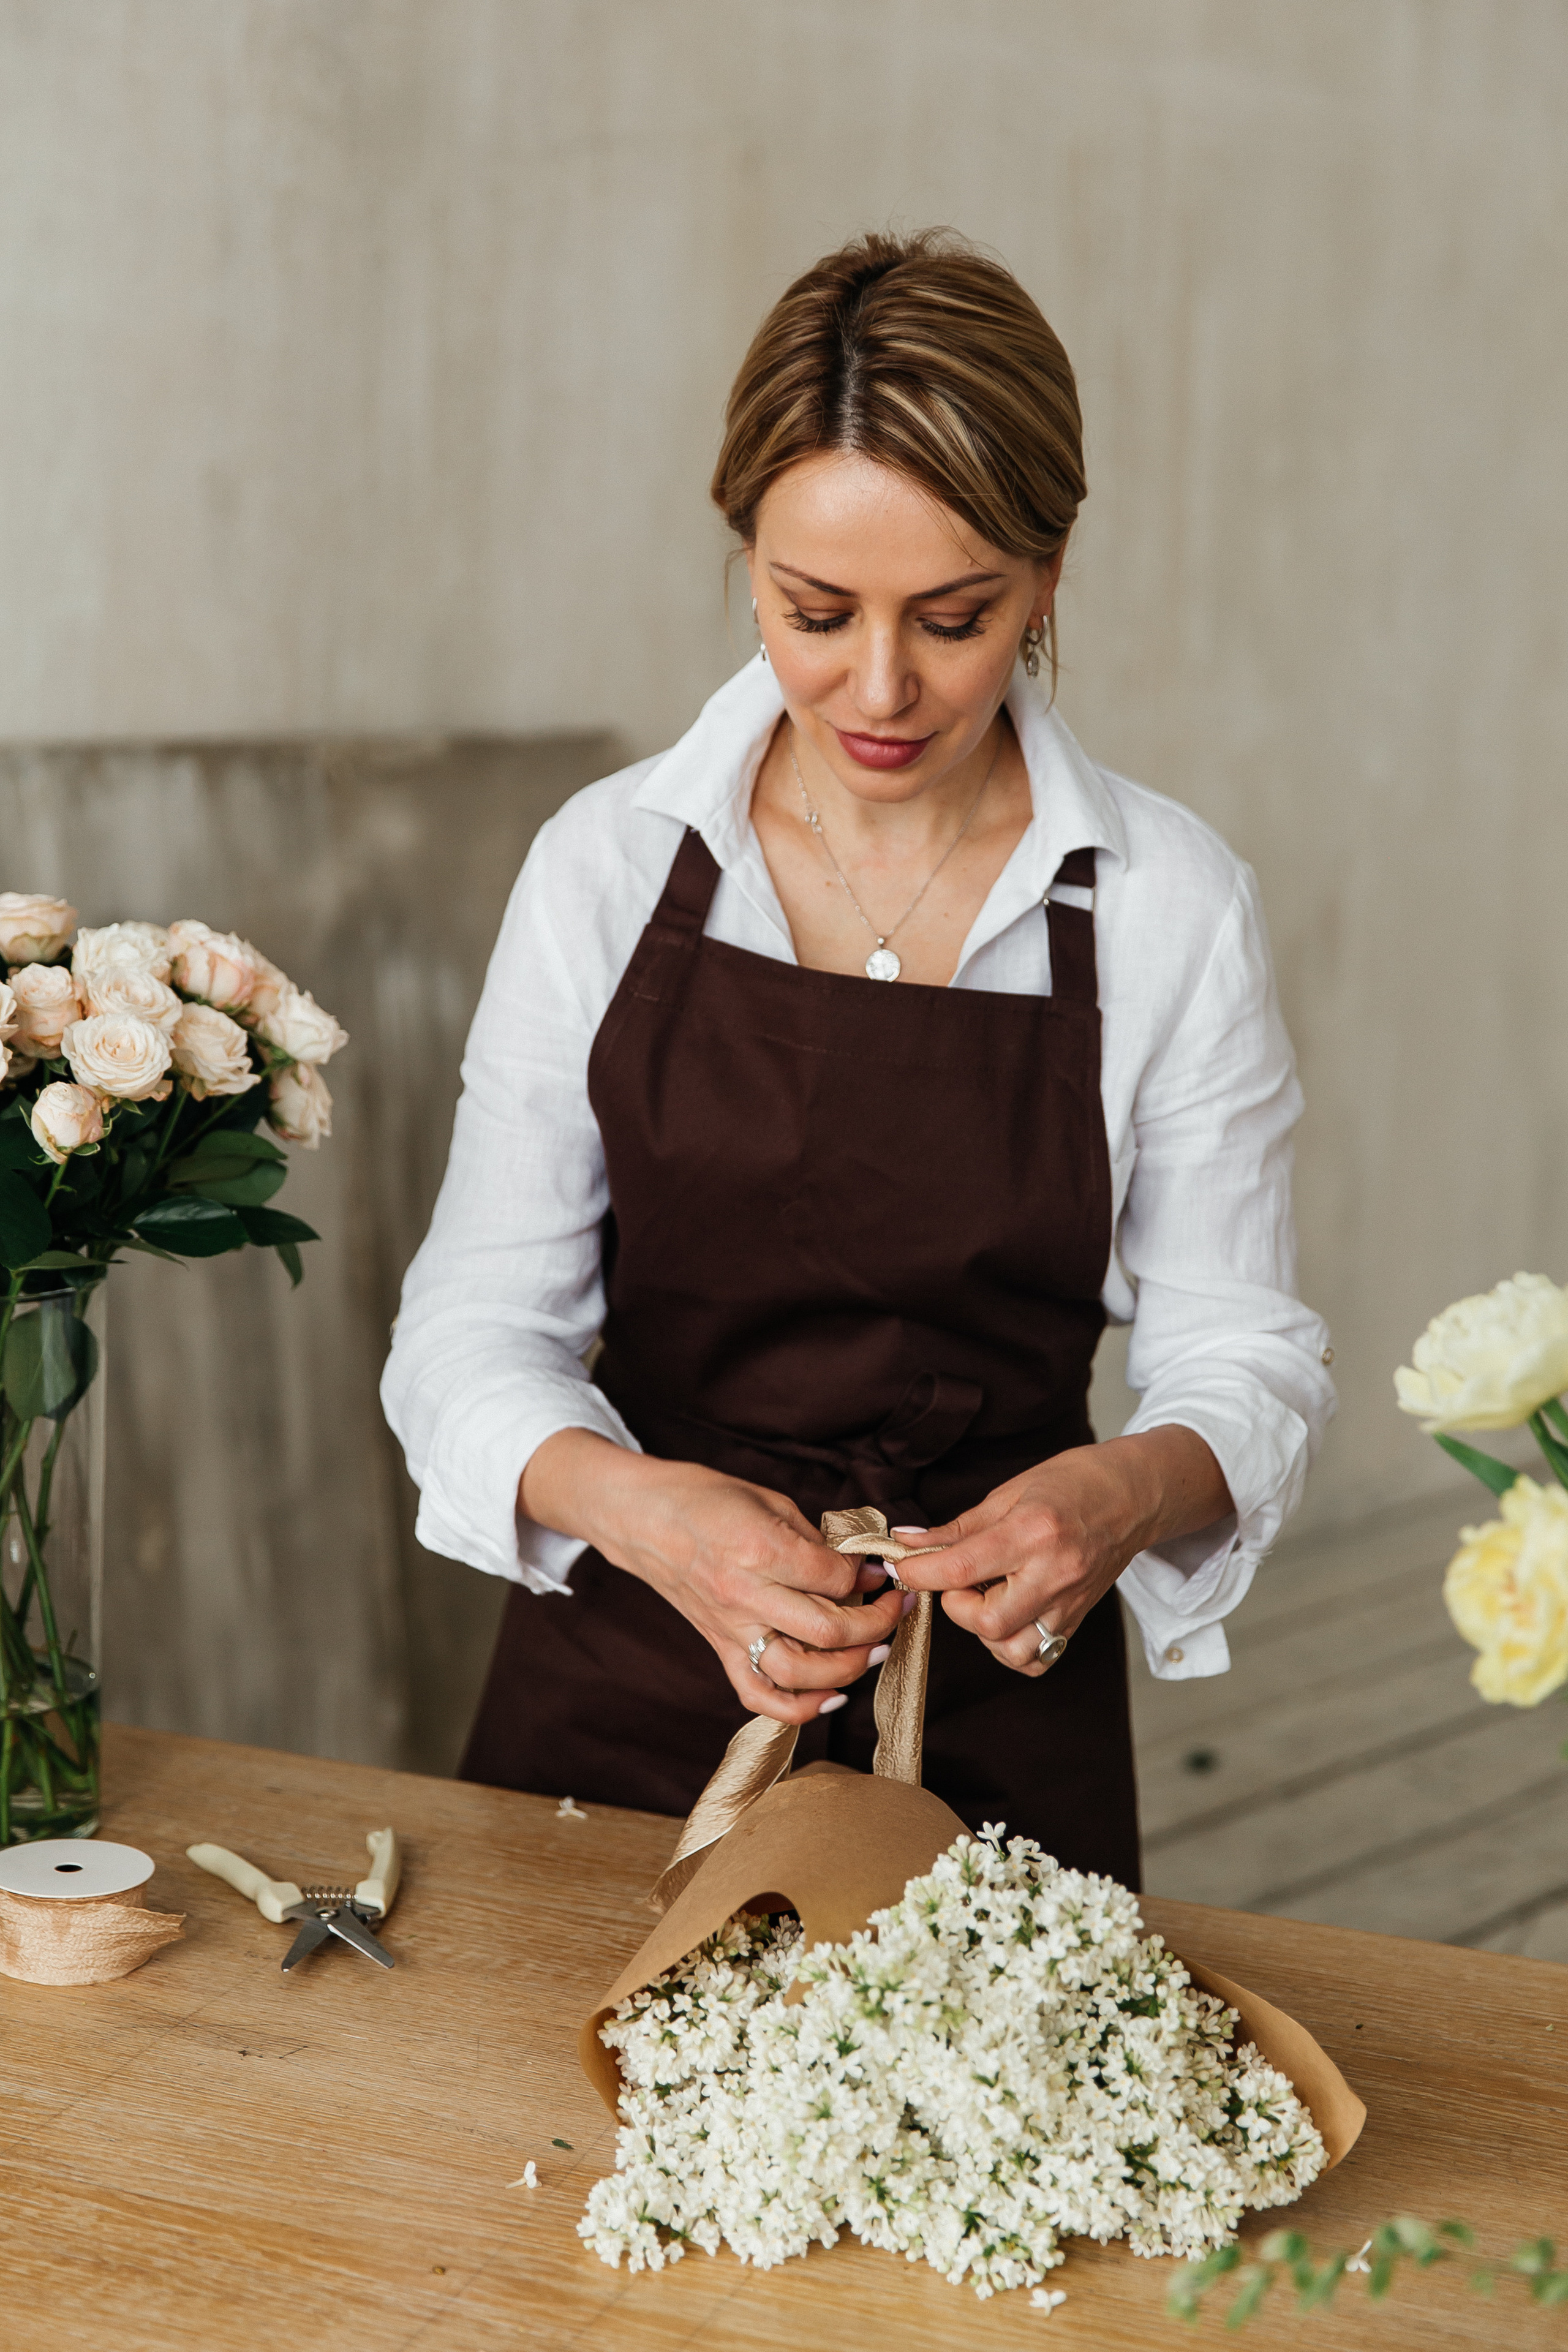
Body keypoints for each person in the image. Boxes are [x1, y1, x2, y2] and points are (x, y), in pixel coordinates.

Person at [382, 230, 1335, 1887]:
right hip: (621, 1693)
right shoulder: (609, 868)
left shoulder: (1171, 906)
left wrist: (1109, 1501)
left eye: (955, 618)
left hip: (998, 1722)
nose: (878, 689)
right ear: (744, 556)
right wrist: (650, 1514)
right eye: (814, 612)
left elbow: (1240, 1355)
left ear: (1048, 574)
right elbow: (465, 1335)